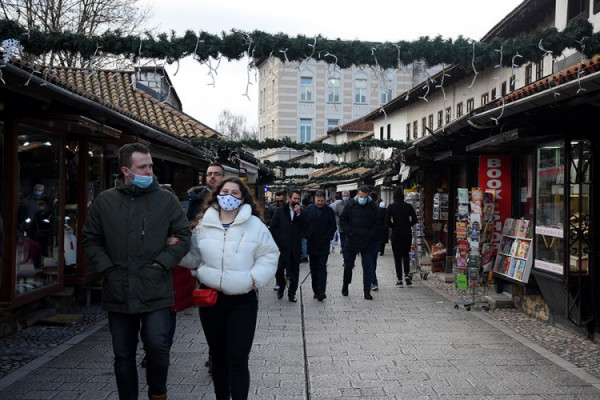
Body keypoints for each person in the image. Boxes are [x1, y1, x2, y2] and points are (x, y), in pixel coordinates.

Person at [82, 143, 191, 400]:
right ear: (126, 171)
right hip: (118, 289)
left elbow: (184, 236)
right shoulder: (105, 201)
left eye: (150, 166)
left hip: (155, 287)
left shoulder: (165, 200)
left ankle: (157, 394)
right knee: (123, 355)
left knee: (158, 347)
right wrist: (107, 268)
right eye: (142, 167)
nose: (149, 171)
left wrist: (161, 263)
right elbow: (90, 239)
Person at [179, 177, 279, 400]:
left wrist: (253, 279)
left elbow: (270, 255)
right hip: (211, 299)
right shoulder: (204, 224)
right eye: (225, 192)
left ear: (243, 198)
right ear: (216, 195)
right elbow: (194, 258)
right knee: (218, 357)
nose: (229, 197)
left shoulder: (255, 225)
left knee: (238, 358)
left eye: (235, 193)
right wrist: (174, 249)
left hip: (243, 300)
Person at [339, 185, 379, 300]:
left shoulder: (372, 206)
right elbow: (343, 219)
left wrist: (370, 234)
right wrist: (349, 232)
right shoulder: (350, 204)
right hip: (352, 240)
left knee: (367, 267)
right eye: (361, 196)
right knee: (348, 265)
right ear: (358, 194)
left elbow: (377, 223)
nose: (362, 199)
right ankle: (345, 285)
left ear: (368, 196)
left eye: (365, 197)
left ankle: (367, 291)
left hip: (367, 241)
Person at [270, 190, 308, 303]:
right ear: (289, 198)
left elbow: (306, 227)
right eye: (294, 199)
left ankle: (292, 293)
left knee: (295, 272)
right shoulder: (280, 212)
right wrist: (278, 242)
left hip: (295, 246)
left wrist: (299, 214)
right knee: (279, 270)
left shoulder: (301, 212)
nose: (296, 201)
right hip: (282, 247)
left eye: (298, 199)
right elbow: (273, 228)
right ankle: (281, 286)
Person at [304, 191, 337, 301]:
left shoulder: (329, 211)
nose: (320, 203)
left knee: (322, 267)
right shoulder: (309, 209)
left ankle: (322, 291)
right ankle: (316, 290)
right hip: (312, 243)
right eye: (318, 201)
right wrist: (307, 233)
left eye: (322, 201)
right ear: (315, 199)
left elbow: (333, 227)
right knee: (313, 268)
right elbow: (303, 224)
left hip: (323, 244)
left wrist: (327, 237)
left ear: (325, 200)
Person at [386, 187, 418, 287]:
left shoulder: (391, 207)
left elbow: (387, 221)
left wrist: (393, 225)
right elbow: (415, 218)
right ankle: (407, 274)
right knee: (405, 254)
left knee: (397, 256)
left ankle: (399, 279)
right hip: (406, 233)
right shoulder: (408, 206)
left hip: (396, 233)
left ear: (394, 197)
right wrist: (408, 224)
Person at [369, 192, 388, 291]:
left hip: (369, 239)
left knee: (370, 261)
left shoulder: (365, 210)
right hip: (377, 238)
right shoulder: (380, 210)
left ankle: (373, 281)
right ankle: (372, 280)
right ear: (376, 200)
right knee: (373, 260)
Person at [334, 190, 351, 255]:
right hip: (342, 228)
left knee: (349, 245)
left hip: (350, 228)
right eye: (344, 196)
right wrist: (338, 221)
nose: (345, 197)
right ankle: (345, 258)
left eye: (346, 196)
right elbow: (336, 214)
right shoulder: (338, 205)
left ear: (349, 196)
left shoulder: (352, 204)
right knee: (343, 244)